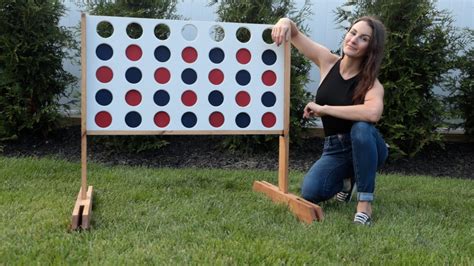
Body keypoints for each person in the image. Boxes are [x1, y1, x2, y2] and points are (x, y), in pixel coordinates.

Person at [272, 16, 388, 225]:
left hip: (366, 144)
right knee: (311, 191)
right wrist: (285, 22)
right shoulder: (327, 61)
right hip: (335, 148)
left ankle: (364, 203)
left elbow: (372, 113)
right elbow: (296, 35)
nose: (353, 40)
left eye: (363, 38)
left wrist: (325, 109)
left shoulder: (372, 84)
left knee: (361, 128)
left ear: (371, 48)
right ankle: (347, 182)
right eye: (352, 33)